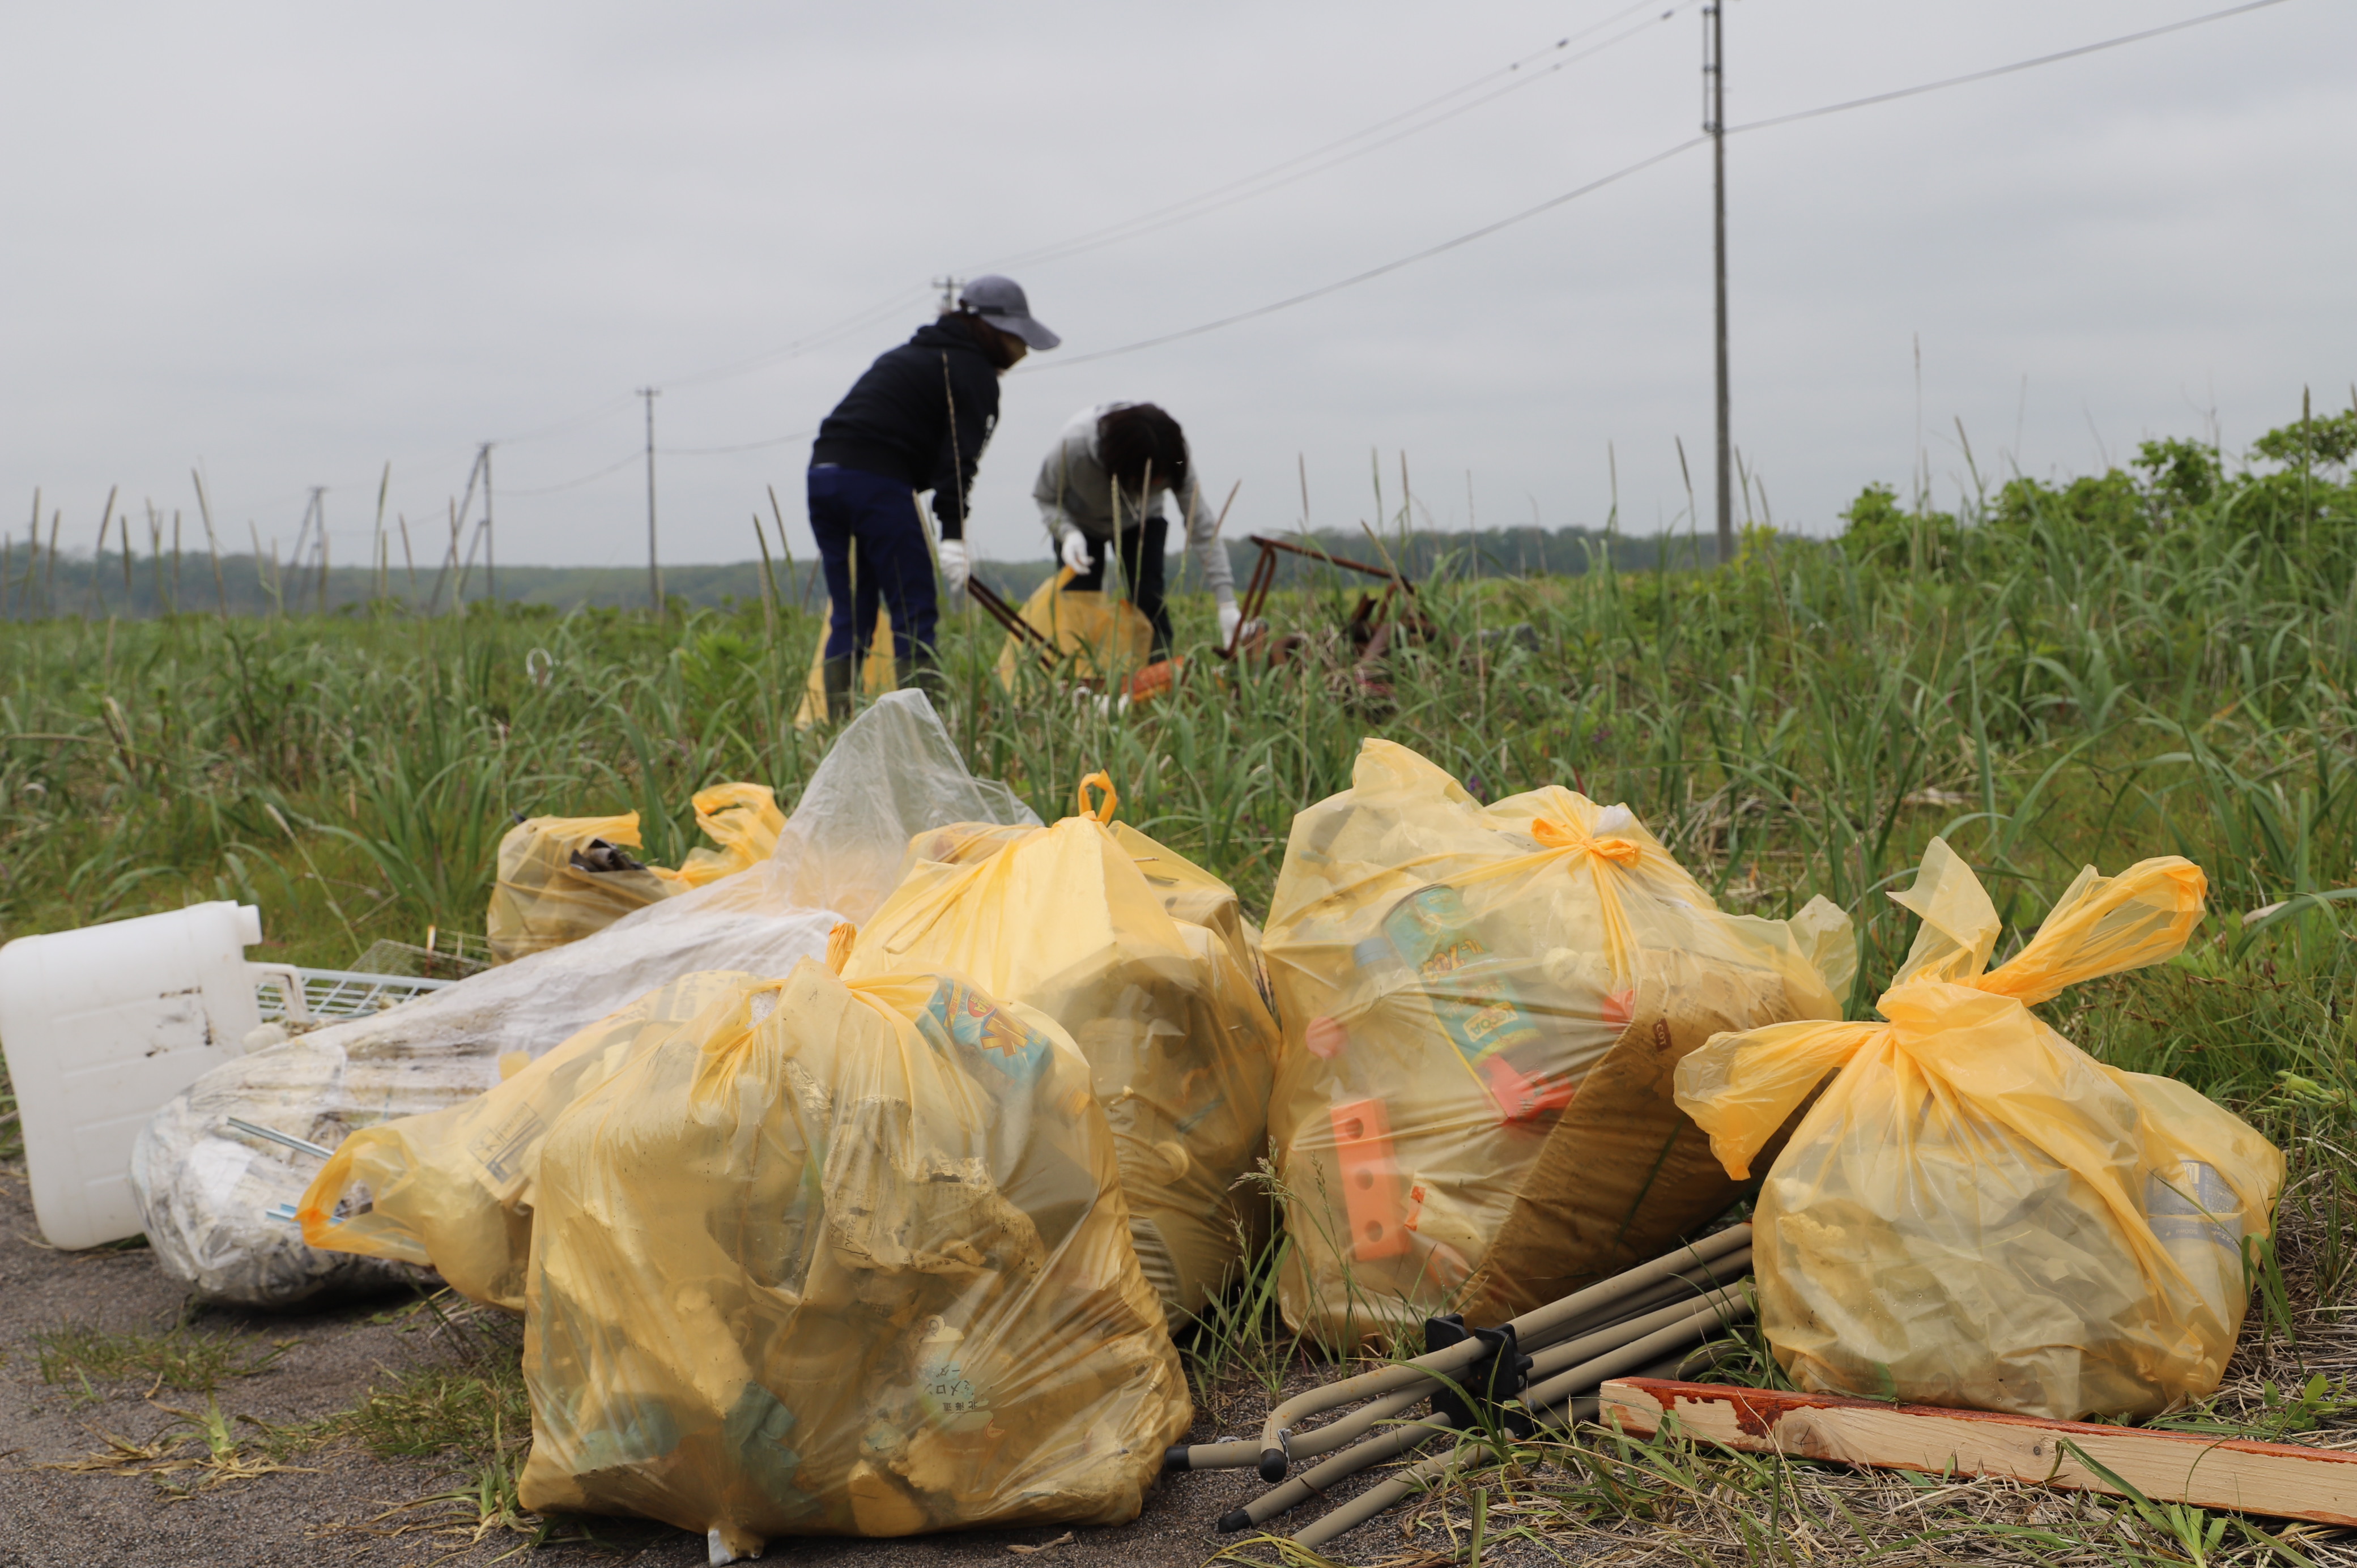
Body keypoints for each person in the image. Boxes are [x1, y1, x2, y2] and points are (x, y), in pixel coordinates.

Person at [807, 275, 1058, 711]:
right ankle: (927, 737)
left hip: (824, 476)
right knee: (913, 608)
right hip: (876, 482)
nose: (1022, 351)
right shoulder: (973, 373)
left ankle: (836, 729)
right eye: (1017, 338)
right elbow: (959, 462)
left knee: (852, 611)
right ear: (989, 329)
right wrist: (954, 535)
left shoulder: (909, 355)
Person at [1033, 402, 1243, 658]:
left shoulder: (1173, 455)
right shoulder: (1074, 448)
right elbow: (1045, 497)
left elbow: (1201, 527)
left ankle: (1159, 674)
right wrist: (1068, 533)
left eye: (1161, 482)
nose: (1157, 484)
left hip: (1142, 520)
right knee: (1079, 604)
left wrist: (1226, 603)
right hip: (1081, 524)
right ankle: (1082, 681)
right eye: (1148, 480)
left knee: (1149, 599)